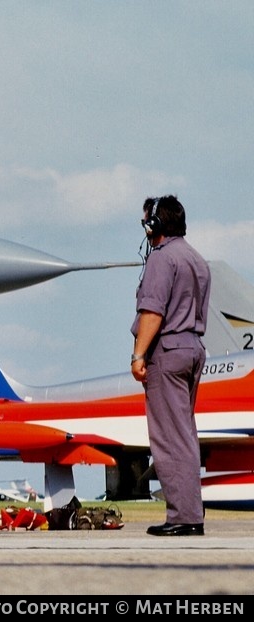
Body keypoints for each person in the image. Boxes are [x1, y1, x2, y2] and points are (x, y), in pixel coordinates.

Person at [130, 195, 212, 537]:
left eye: (147, 222)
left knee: (168, 438)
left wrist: (138, 356)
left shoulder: (162, 259)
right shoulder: (196, 258)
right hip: (193, 348)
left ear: (156, 226)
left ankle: (184, 517)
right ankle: (190, 512)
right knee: (185, 435)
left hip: (168, 351)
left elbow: (153, 311)